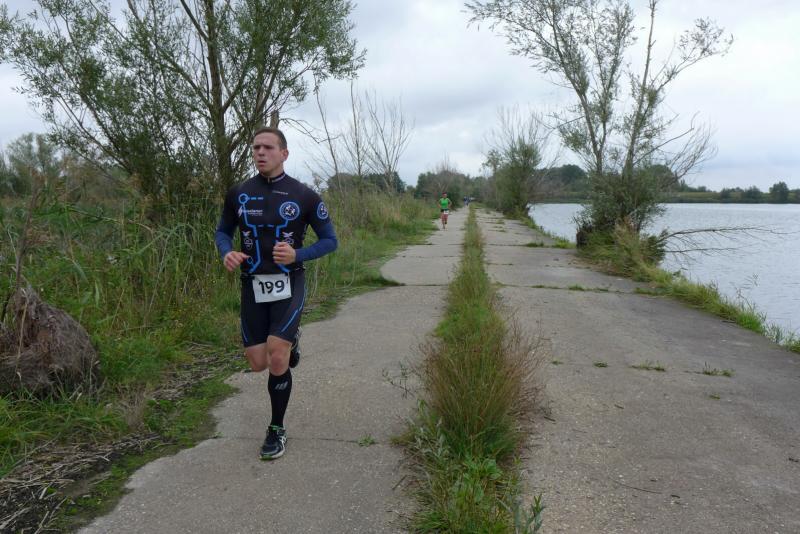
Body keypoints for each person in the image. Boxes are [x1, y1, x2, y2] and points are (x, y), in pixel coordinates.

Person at [215, 126, 337, 460]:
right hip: (252, 283)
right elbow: (222, 231)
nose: (260, 152)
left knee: (278, 356)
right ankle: (291, 340)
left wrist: (298, 254)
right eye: (256, 147)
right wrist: (226, 252)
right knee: (258, 363)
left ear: (284, 153)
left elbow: (330, 241)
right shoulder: (239, 193)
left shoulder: (305, 196)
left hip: (289, 282)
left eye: (268, 147)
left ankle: (276, 429)